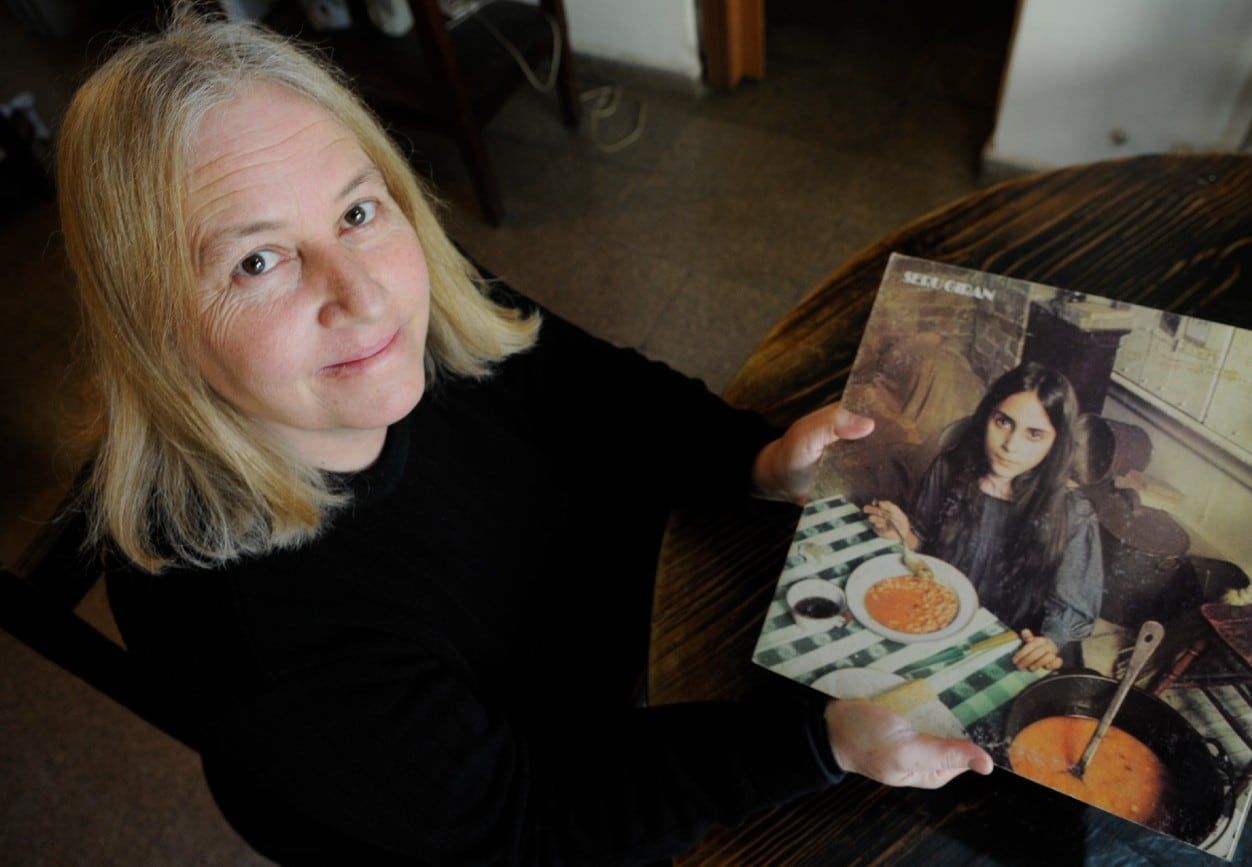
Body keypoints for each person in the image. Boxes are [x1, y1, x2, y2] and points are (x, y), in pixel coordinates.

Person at [56, 10, 991, 865]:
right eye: (257, 261)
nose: (367, 293)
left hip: (621, 652)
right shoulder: (231, 621)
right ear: (152, 324)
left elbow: (586, 384)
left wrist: (746, 457)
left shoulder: (405, 303)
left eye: (356, 209)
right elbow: (525, 818)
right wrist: (813, 744)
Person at [864, 362, 1103, 672]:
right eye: (1003, 422)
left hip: (1005, 646)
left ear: (1056, 443)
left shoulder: (1073, 513)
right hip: (933, 619)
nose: (1010, 445)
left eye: (1034, 434)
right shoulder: (950, 467)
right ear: (987, 415)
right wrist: (900, 531)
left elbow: (1072, 610)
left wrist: (1049, 643)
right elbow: (919, 540)